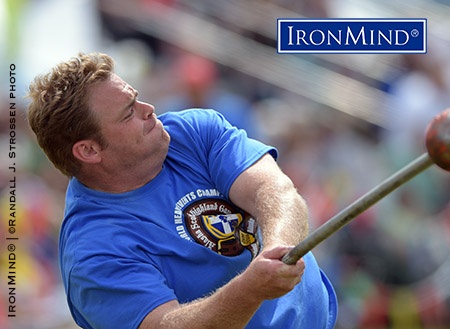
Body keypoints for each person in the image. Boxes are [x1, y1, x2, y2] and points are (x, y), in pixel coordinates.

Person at [26, 52, 338, 329]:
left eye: (137, 98)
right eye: (127, 113)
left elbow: (274, 190)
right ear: (89, 150)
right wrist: (250, 289)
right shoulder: (92, 252)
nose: (148, 109)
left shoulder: (191, 131)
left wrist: (277, 252)